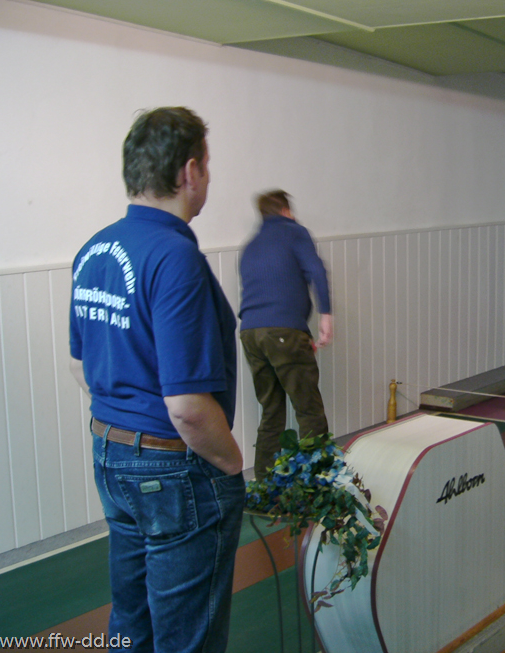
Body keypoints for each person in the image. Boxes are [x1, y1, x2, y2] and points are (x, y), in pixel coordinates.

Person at [69, 107, 244, 652]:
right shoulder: (174, 256)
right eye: (208, 167)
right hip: (172, 468)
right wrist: (230, 463)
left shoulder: (94, 249)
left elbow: (79, 365)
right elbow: (187, 406)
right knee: (186, 636)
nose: (208, 178)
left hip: (110, 453)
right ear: (190, 171)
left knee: (131, 621)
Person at [238, 189, 333, 479]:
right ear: (286, 211)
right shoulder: (294, 232)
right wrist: (325, 315)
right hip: (283, 332)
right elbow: (317, 272)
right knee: (309, 410)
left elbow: (272, 290)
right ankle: (318, 483)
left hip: (250, 334)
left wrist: (298, 333)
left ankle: (264, 484)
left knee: (271, 411)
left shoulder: (250, 246)